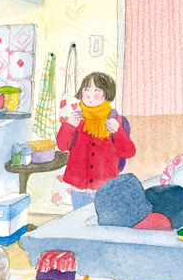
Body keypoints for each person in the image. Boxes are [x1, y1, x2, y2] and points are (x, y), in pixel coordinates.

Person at [57, 72, 136, 209]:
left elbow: (128, 152)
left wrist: (118, 131)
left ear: (107, 94)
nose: (89, 94)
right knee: (80, 218)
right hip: (79, 188)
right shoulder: (76, 119)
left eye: (96, 90)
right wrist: (69, 126)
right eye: (86, 89)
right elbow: (62, 146)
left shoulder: (114, 120)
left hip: (105, 187)